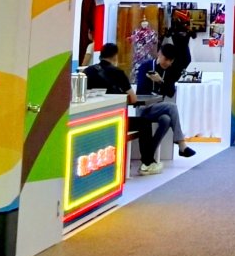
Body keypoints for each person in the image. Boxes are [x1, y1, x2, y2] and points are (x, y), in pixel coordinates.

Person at [84, 43, 171, 175]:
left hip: (92, 120)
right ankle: (147, 163)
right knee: (144, 123)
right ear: (115, 56)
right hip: (114, 120)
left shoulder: (88, 71)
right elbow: (133, 99)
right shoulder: (118, 73)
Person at [137, 42, 197, 173]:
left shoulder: (170, 70)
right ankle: (181, 144)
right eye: (166, 59)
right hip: (144, 107)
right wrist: (152, 82)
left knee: (166, 120)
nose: (168, 63)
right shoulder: (146, 66)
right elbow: (140, 91)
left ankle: (147, 158)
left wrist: (160, 81)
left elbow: (170, 92)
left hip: (159, 107)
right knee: (172, 107)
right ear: (159, 54)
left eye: (171, 61)